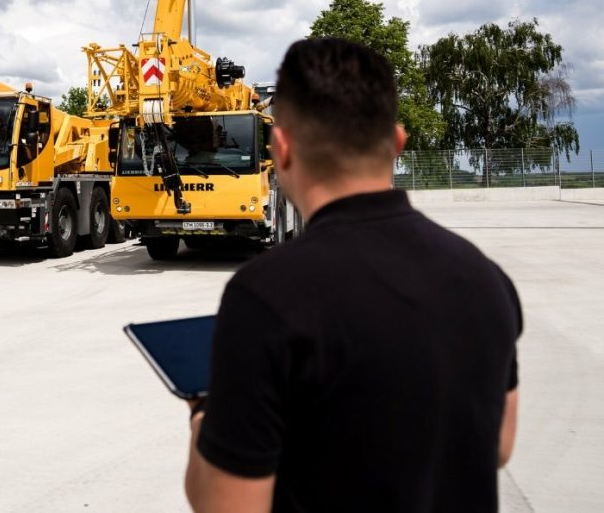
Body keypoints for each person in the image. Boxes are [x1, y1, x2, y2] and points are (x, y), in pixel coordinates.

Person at [184, 38, 522, 512]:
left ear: (280, 150)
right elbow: (498, 447)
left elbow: (228, 506)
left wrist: (205, 414)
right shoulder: (486, 280)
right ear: (398, 143)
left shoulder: (264, 297)